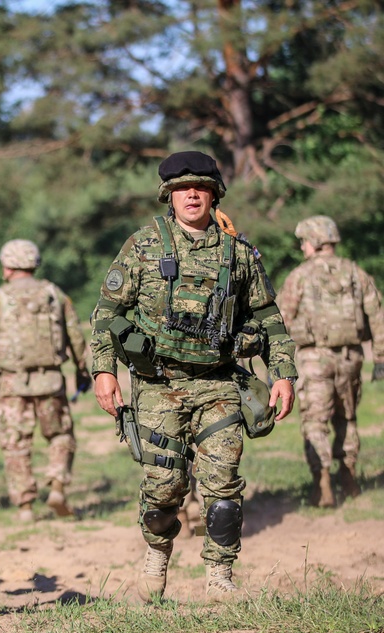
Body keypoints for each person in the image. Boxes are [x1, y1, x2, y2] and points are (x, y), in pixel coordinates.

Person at [89, 150, 297, 602]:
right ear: (169, 194)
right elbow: (107, 313)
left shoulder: (238, 253)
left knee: (223, 485)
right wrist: (104, 371)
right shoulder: (143, 246)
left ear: (214, 194)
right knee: (164, 487)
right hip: (158, 385)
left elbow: (268, 316)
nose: (192, 195)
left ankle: (220, 578)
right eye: (182, 188)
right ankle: (156, 558)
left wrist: (283, 373)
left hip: (219, 383)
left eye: (201, 188)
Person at [0, 240, 90, 523]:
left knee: (15, 444)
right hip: (51, 381)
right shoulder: (54, 294)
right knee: (60, 435)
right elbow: (75, 336)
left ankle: (25, 507)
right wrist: (82, 371)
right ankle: (57, 487)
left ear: (7, 267)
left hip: (12, 384)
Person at [277, 215, 384, 507]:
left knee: (315, 420)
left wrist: (276, 362)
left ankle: (322, 484)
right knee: (347, 417)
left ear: (315, 241)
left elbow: (282, 319)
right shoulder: (355, 273)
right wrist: (380, 357)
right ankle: (349, 478)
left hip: (314, 359)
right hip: (351, 358)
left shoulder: (300, 276)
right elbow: (377, 314)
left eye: (303, 242)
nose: (302, 247)